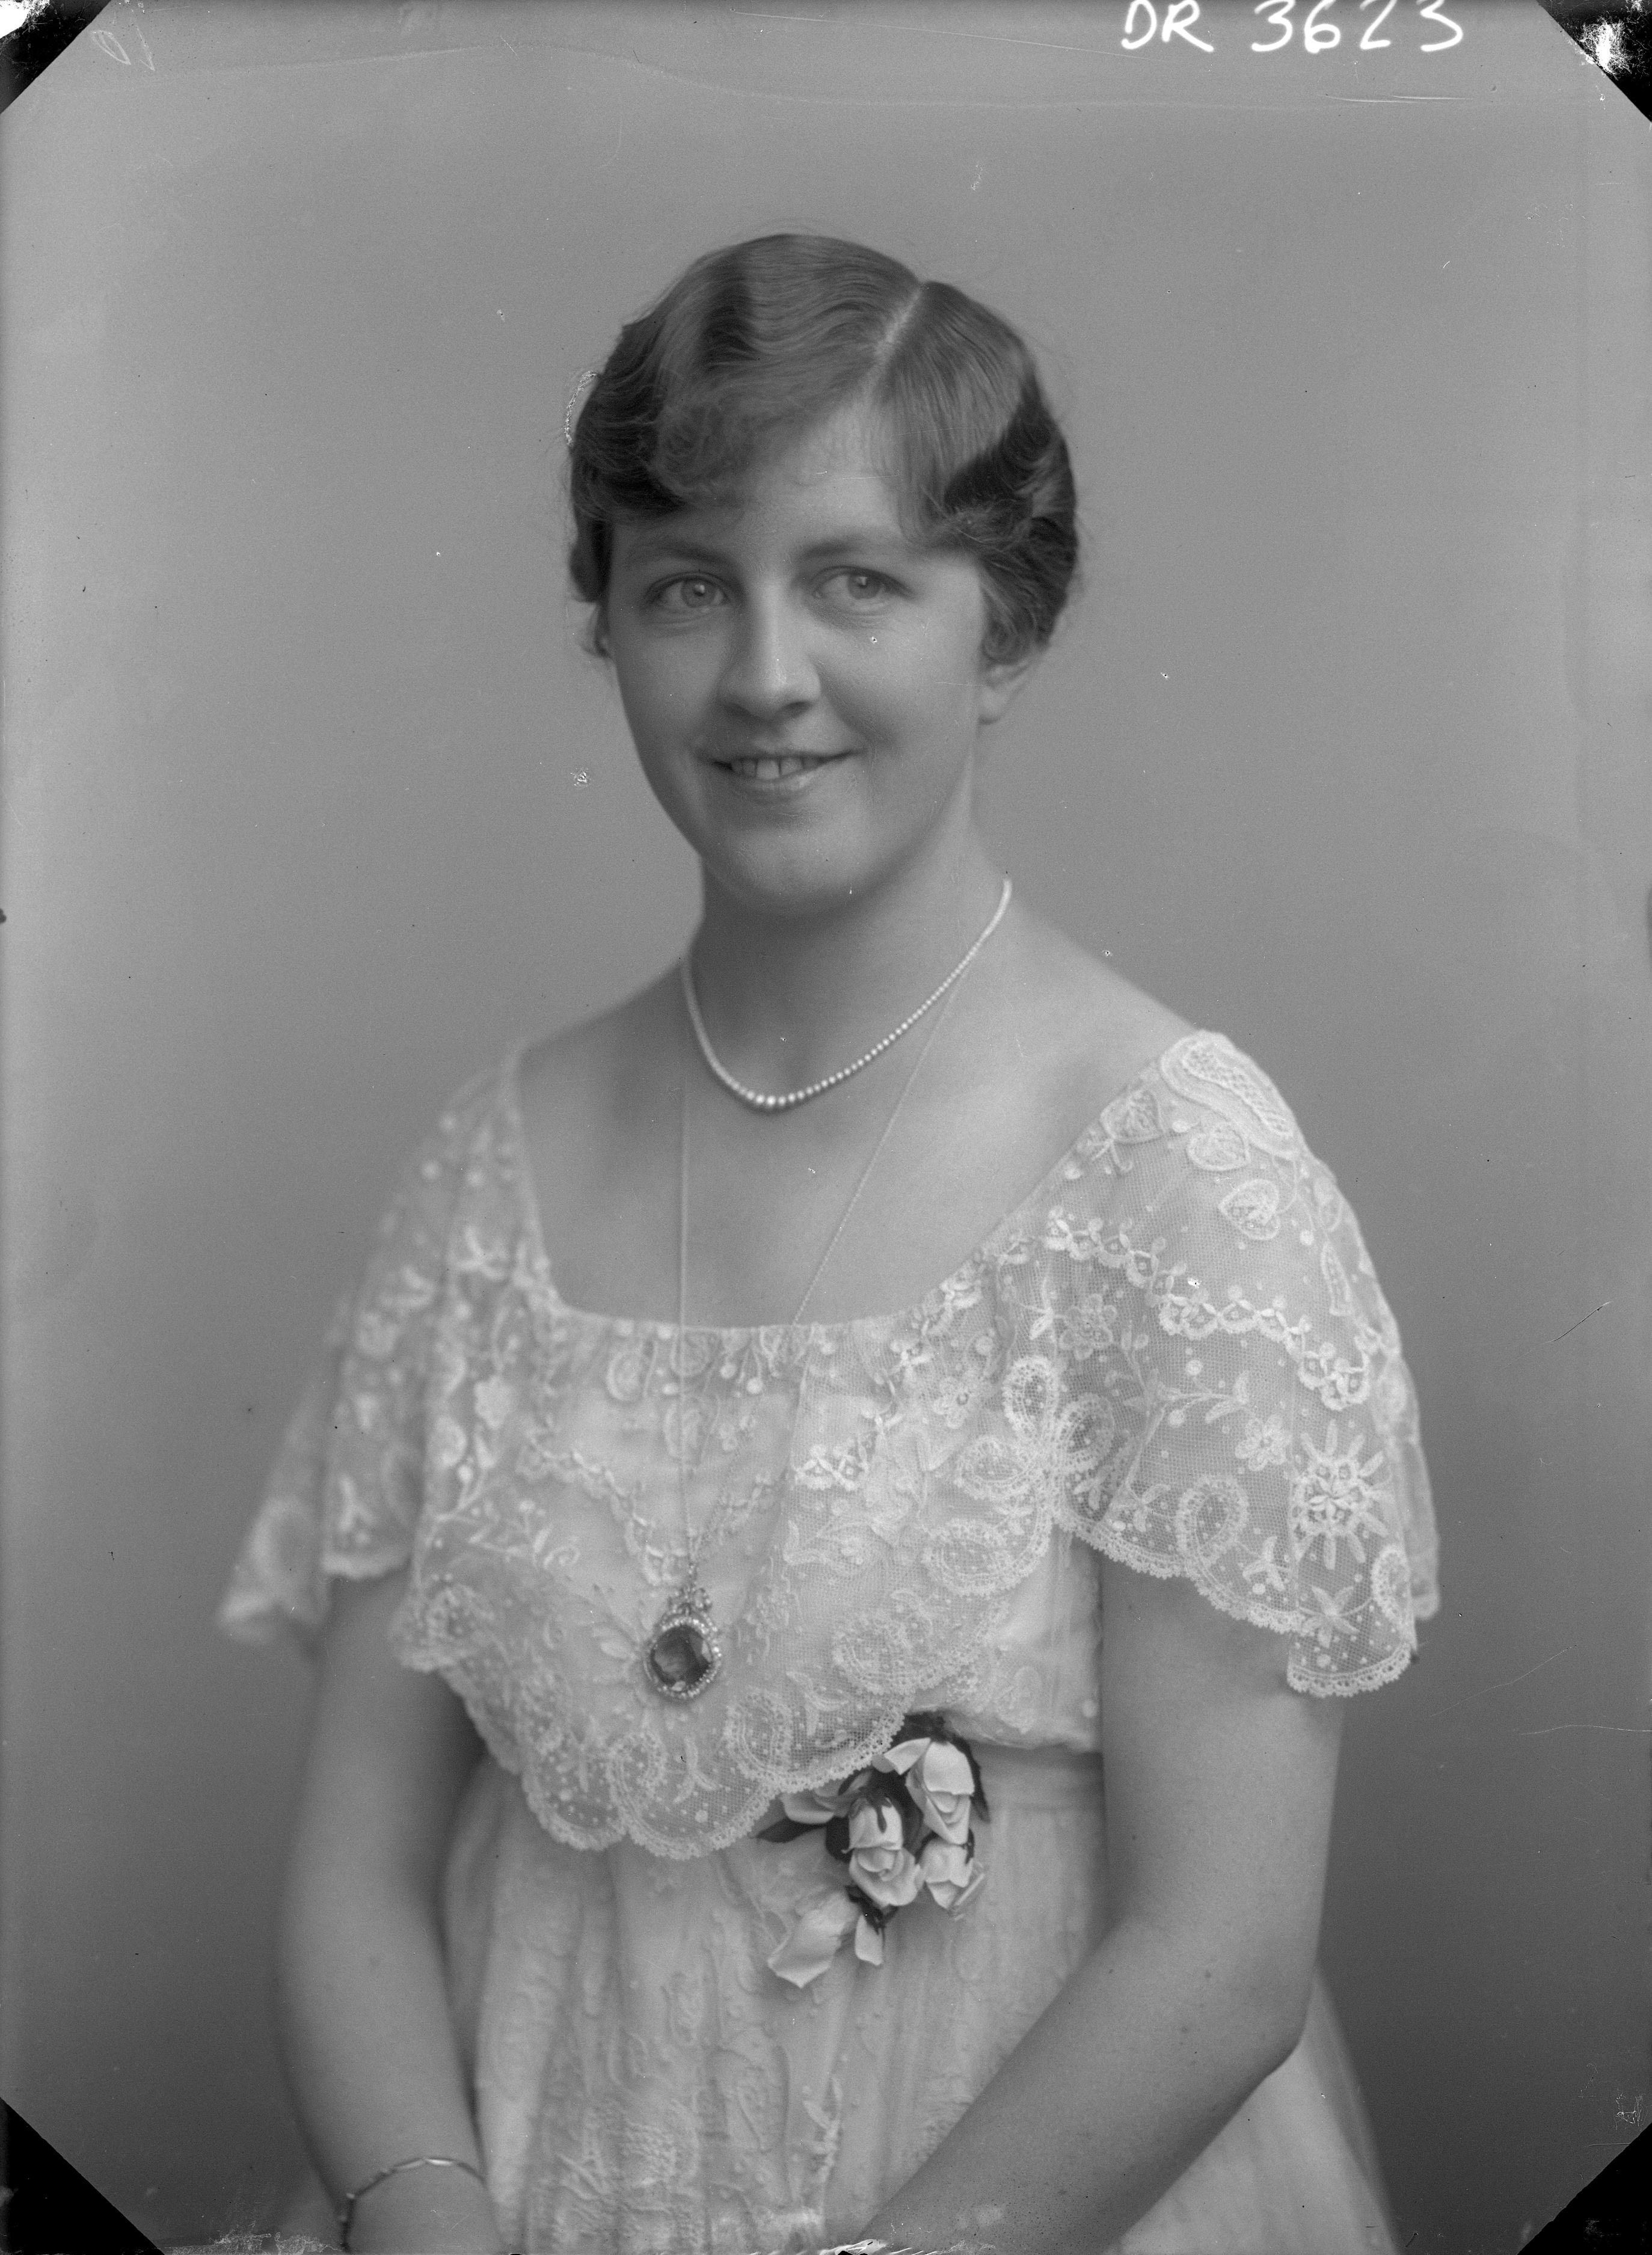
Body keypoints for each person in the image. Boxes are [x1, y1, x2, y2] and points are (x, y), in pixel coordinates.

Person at [220, 233, 1438, 2255]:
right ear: (608, 617)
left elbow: (1221, 1957)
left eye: (857, 580)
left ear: (1004, 626)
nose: (765, 675)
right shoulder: (488, 1172)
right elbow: (354, 1867)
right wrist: (424, 2215)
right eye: (688, 584)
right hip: (527, 2158)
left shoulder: (1173, 1175)